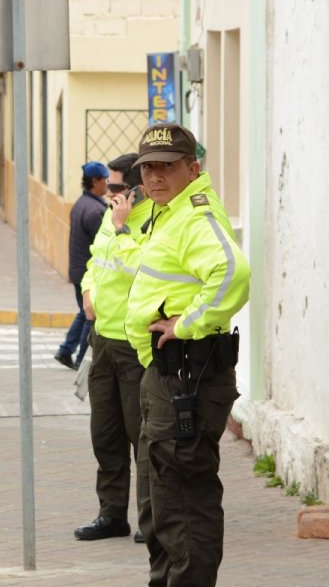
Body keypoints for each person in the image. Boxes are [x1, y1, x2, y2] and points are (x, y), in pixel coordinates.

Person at [125, 123, 250, 586]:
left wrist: (186, 323)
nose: (155, 177)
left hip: (186, 376)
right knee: (159, 508)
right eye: (149, 168)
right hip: (165, 375)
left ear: (192, 168)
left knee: (183, 505)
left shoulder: (195, 217)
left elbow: (234, 273)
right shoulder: (167, 211)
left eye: (167, 167)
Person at [74, 153, 154, 543]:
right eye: (108, 185)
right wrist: (88, 290)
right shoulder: (112, 215)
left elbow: (138, 269)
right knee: (104, 433)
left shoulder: (152, 222)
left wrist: (123, 230)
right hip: (102, 338)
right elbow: (96, 260)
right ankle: (112, 514)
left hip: (133, 345)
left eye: (119, 187)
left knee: (141, 435)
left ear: (139, 189)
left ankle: (152, 518)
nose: (110, 192)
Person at [55, 160, 109, 370]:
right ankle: (80, 359)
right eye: (105, 181)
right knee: (90, 314)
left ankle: (66, 350)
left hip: (77, 269)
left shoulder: (81, 203)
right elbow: (103, 245)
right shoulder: (96, 211)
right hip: (87, 271)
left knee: (82, 312)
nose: (108, 185)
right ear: (95, 182)